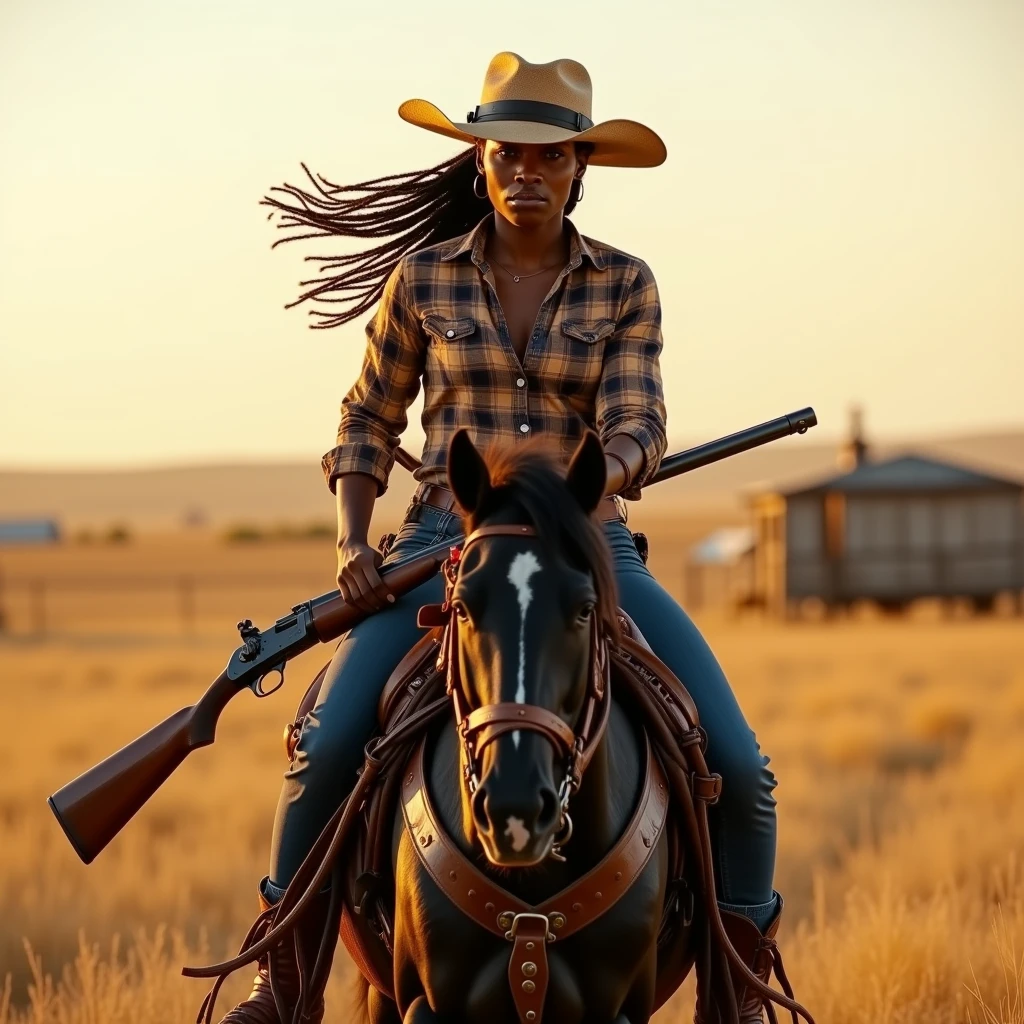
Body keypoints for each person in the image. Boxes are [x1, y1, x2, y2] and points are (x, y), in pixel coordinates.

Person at [221, 52, 784, 1024]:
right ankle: (286, 984)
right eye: (506, 153)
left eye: (549, 156)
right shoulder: (423, 277)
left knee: (737, 765)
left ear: (579, 168)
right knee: (328, 742)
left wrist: (581, 484)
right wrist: (354, 539)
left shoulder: (625, 284)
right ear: (479, 161)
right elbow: (367, 420)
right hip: (446, 538)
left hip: (588, 545)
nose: (527, 171)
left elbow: (637, 424)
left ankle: (736, 997)